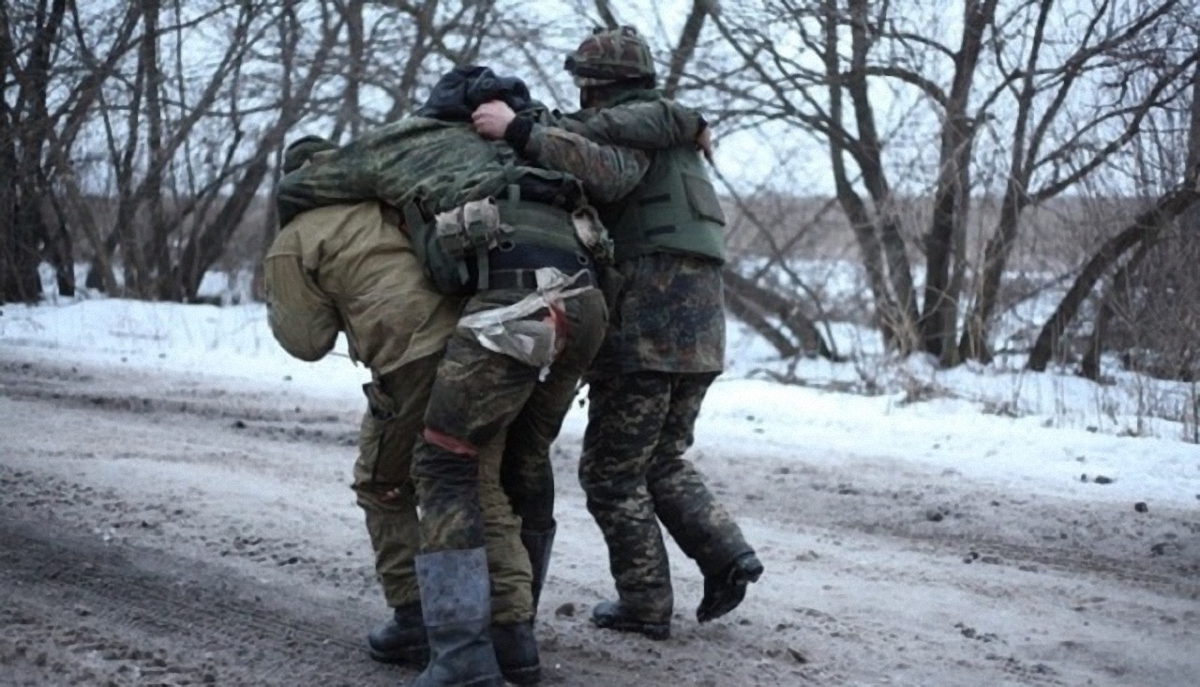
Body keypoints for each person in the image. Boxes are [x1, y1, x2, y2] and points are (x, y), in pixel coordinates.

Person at [275, 66, 650, 687]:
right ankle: (515, 644)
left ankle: (460, 655)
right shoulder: (537, 136)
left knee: (445, 464)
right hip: (586, 300)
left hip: (515, 297)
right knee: (518, 465)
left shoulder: (413, 138)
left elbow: (309, 181)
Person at [474, 26, 763, 642]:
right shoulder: (667, 133)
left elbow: (604, 174)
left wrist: (521, 132)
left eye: (585, 87)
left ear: (598, 86)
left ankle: (645, 604)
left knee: (609, 472)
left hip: (647, 324)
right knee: (661, 456)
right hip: (701, 327)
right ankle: (726, 555)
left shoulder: (633, 132)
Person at [265, 136, 542, 684]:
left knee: (382, 484)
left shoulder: (296, 238)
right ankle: (514, 637)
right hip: (481, 343)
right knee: (475, 479)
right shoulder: (388, 204)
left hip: (412, 360)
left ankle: (416, 618)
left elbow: (306, 340)